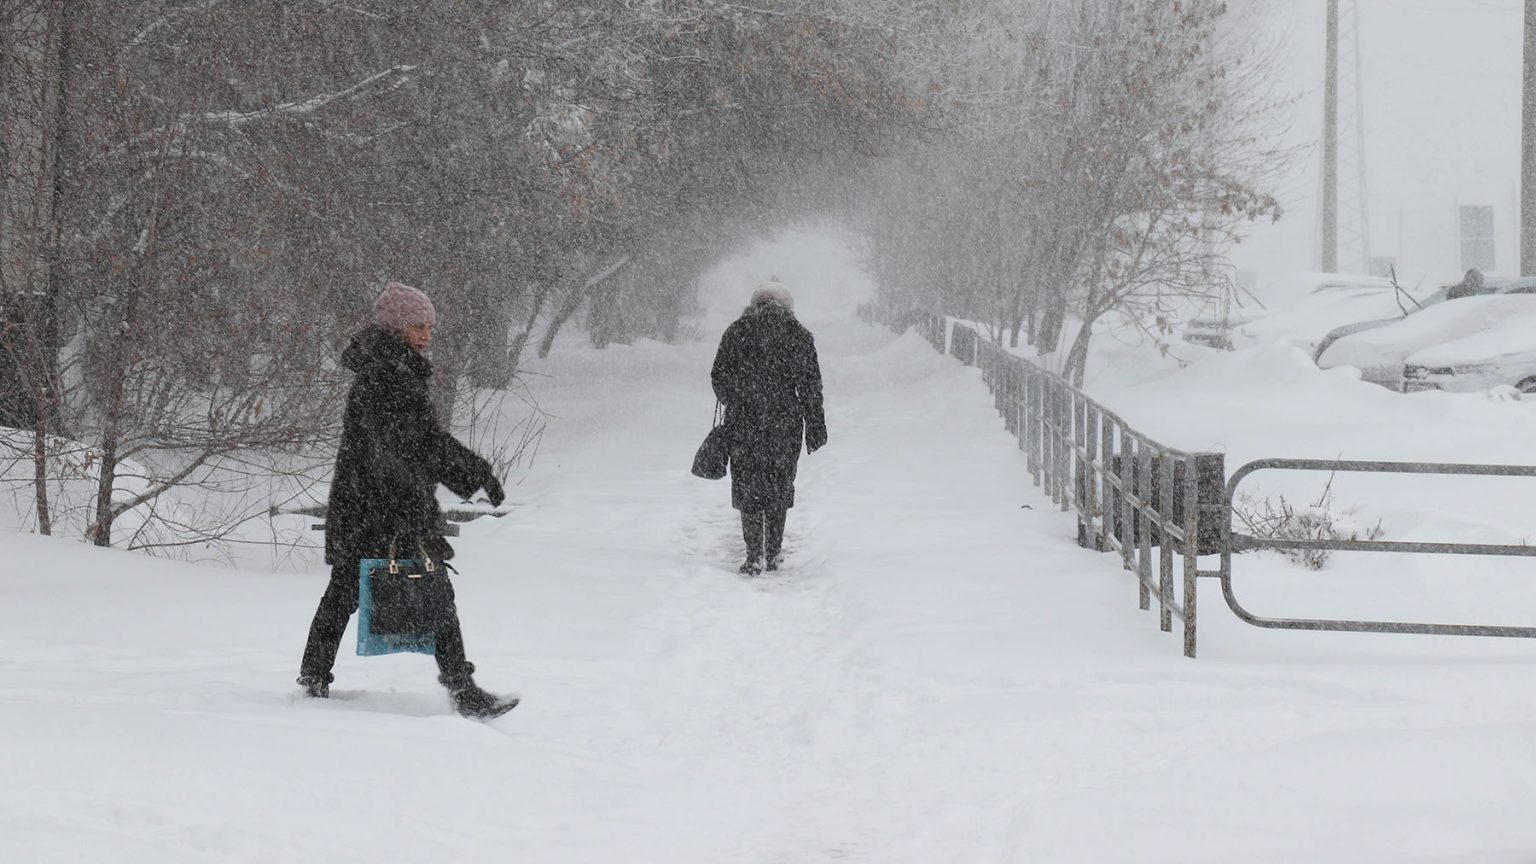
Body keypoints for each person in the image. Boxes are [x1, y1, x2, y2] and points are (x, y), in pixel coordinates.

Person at [297, 281, 516, 718]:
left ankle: (315, 676)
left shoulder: (394, 369)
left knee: (347, 593)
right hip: (382, 507)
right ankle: (461, 689)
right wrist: (469, 477)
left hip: (375, 505)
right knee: (425, 592)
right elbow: (413, 444)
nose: (426, 334)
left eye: (429, 326)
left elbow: (420, 442)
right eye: (418, 325)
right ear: (396, 328)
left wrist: (474, 475)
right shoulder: (385, 374)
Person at [710, 281, 827, 574]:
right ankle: (773, 552)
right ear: (788, 306)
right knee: (779, 485)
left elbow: (719, 376)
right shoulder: (798, 336)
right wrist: (815, 425)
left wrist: (737, 398)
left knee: (747, 486)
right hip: (785, 424)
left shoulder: (737, 332)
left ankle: (753, 556)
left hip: (744, 423)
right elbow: (811, 386)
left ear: (754, 303)